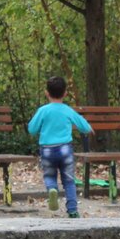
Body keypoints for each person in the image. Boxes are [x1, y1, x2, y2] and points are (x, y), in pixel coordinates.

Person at [27, 76, 93, 218]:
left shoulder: (43, 110)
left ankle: (52, 189)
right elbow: (83, 126)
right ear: (65, 93)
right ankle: (73, 210)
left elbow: (32, 129)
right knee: (69, 180)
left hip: (47, 150)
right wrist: (89, 128)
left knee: (49, 175)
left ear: (47, 93)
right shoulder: (67, 110)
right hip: (65, 149)